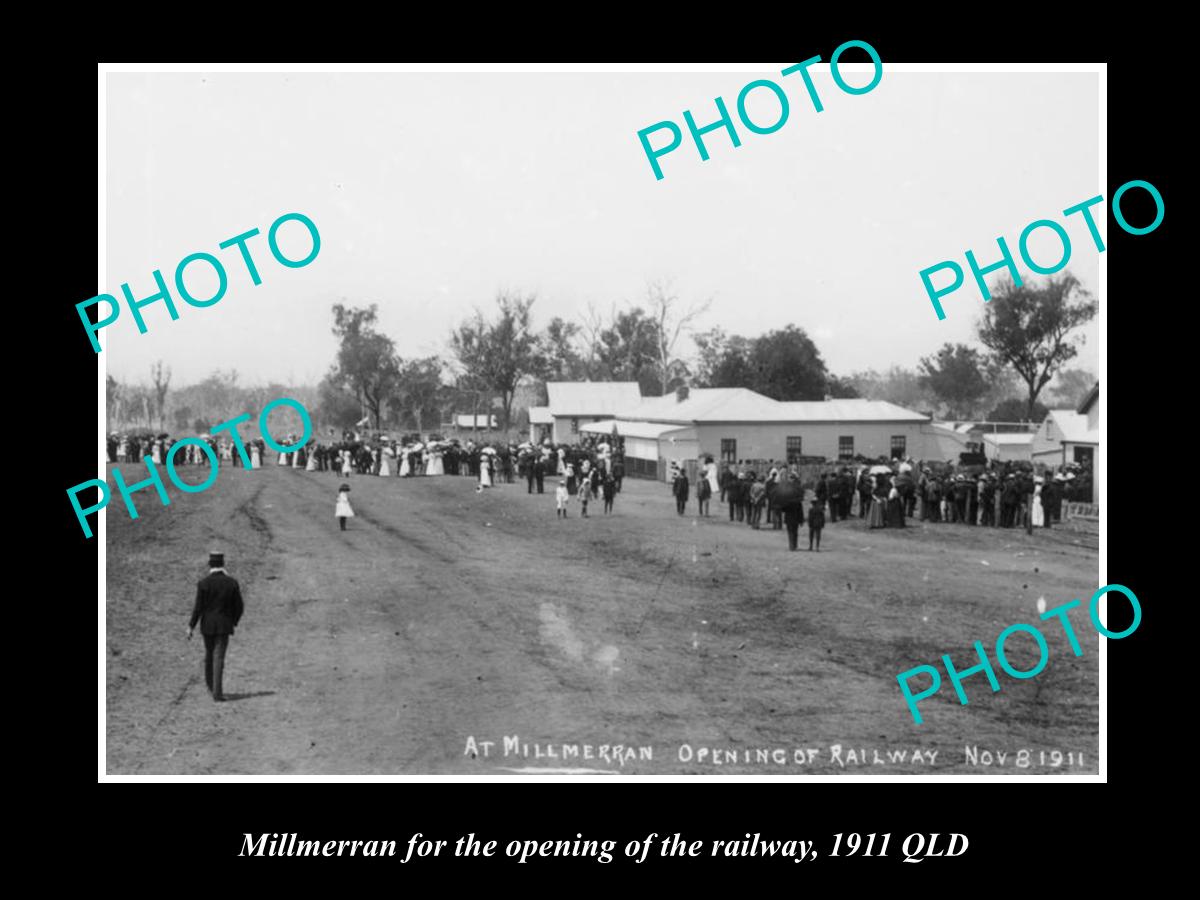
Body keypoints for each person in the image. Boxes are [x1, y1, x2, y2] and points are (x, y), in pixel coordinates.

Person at [187, 551, 244, 702]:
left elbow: (198, 608)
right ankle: (217, 694)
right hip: (224, 625)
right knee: (219, 658)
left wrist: (191, 626)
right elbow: (239, 606)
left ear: (210, 564)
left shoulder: (203, 583)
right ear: (223, 564)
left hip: (207, 625)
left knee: (209, 655)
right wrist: (233, 621)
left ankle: (211, 687)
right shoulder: (232, 582)